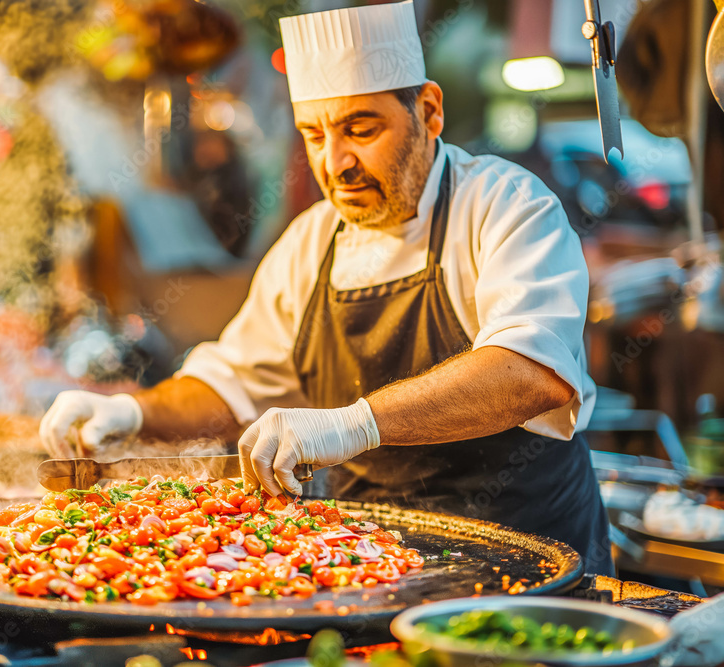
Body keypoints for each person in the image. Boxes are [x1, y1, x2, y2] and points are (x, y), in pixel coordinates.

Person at [40, 2, 613, 574]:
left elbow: (531, 372)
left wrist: (354, 424)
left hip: (527, 559)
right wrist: (129, 412)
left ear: (430, 112)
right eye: (314, 135)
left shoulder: (505, 206)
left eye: (361, 129)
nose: (335, 162)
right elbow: (233, 383)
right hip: (374, 567)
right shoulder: (310, 243)